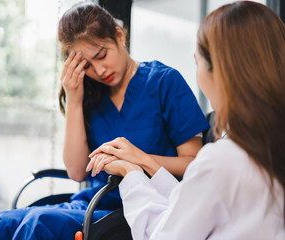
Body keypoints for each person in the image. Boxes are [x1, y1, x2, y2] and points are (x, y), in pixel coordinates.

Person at [0, 2, 209, 239]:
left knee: (37, 223)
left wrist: (139, 159)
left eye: (101, 55)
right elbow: (77, 172)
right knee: (4, 221)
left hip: (139, 206)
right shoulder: (92, 96)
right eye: (87, 65)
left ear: (119, 36)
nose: (100, 71)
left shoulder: (164, 82)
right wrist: (73, 98)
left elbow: (194, 163)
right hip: (93, 202)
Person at [87, 1, 285, 239]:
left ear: (219, 70)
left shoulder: (224, 158)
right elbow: (195, 199)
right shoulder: (265, 147)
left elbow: (164, 234)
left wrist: (131, 174)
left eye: (197, 62)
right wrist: (144, 162)